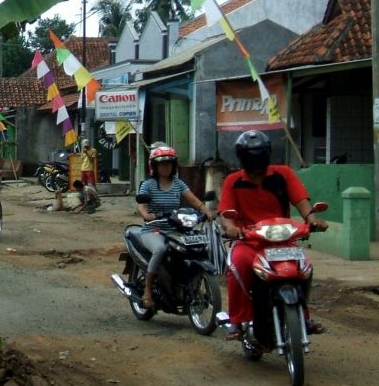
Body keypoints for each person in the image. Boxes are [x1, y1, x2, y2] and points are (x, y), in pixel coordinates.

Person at [218, 130, 328, 340]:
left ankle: (303, 316)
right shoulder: (233, 181)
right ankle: (237, 321)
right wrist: (231, 227)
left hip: (282, 240)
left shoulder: (283, 174)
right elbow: (226, 213)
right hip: (249, 241)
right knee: (237, 265)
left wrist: (312, 219)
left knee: (304, 267)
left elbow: (302, 202)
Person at [136, 144, 208, 308]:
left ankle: (189, 285)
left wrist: (206, 211)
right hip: (153, 230)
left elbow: (194, 200)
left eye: (169, 163)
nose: (165, 167)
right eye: (162, 164)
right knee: (160, 249)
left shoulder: (178, 184)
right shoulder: (148, 185)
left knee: (196, 246)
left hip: (175, 229)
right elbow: (141, 206)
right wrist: (146, 215)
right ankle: (148, 291)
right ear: (154, 166)